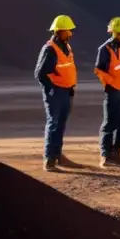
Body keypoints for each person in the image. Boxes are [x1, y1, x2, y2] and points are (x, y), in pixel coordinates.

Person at [34, 15, 81, 172]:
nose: (71, 34)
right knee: (53, 123)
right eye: (68, 30)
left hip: (66, 92)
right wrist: (51, 88)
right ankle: (49, 160)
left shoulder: (66, 47)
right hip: (55, 93)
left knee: (60, 124)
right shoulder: (50, 49)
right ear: (60, 31)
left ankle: (57, 155)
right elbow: (40, 73)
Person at [95, 16, 120, 168]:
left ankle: (116, 152)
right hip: (114, 93)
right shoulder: (105, 49)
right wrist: (113, 85)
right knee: (110, 124)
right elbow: (99, 70)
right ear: (116, 34)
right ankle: (105, 156)